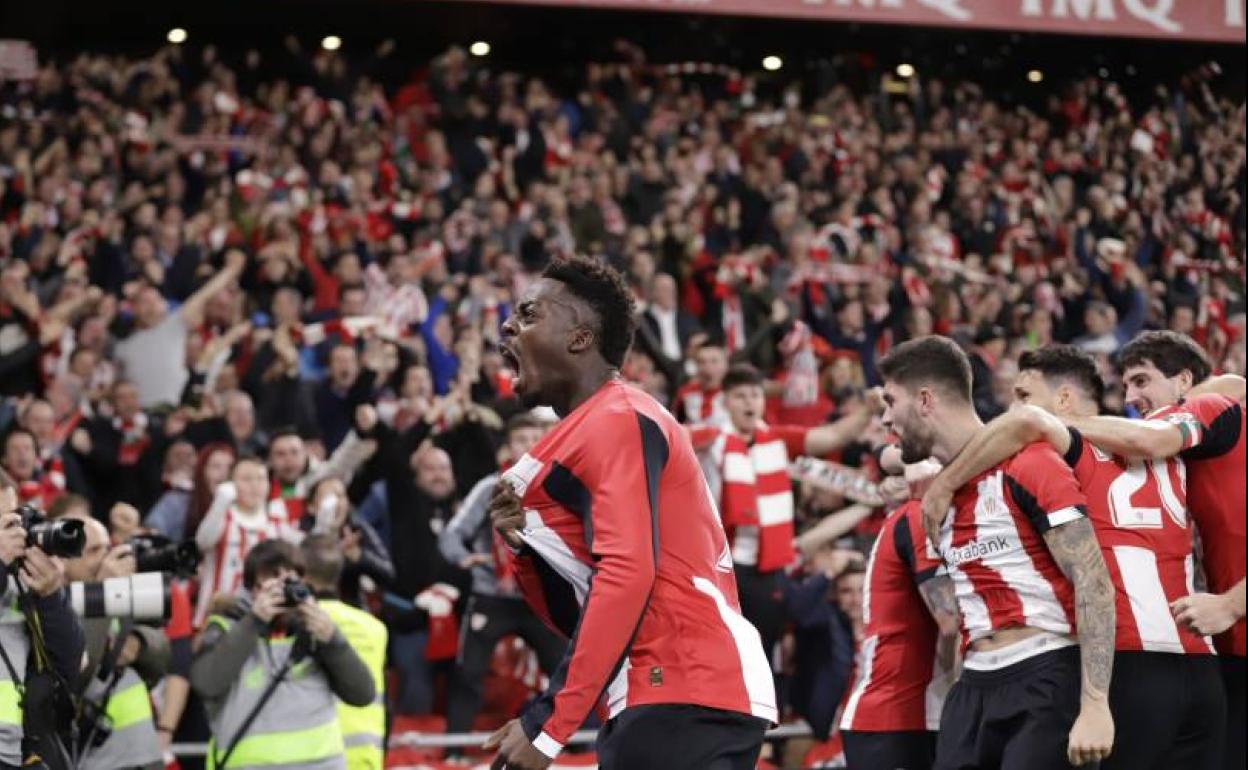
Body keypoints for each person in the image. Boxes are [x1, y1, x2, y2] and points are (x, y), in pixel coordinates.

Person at [486, 256, 775, 770]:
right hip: (673, 689)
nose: (508, 325)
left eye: (529, 314)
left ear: (579, 339)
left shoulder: (618, 416)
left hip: (679, 685)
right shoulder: (599, 424)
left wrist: (549, 724)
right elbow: (581, 612)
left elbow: (627, 572)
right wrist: (524, 549)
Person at [922, 343, 1225, 769]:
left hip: (1129, 662)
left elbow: (1025, 423)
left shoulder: (1067, 451)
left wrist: (944, 483)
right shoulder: (1179, 445)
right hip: (1201, 663)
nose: (1011, 410)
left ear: (1062, 401)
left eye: (1022, 395)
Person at [877, 335, 1116, 769]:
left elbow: (1093, 578)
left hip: (1044, 673)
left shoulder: (1028, 462)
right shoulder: (935, 495)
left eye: (891, 401)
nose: (885, 417)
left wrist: (1095, 704)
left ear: (926, 400)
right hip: (972, 688)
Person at [1043, 331, 1245, 770]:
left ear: (1185, 380)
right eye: (1126, 387)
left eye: (1142, 381)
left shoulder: (1206, 409)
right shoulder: (1188, 450)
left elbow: (1149, 439)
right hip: (1220, 651)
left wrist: (1040, 422)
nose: (1132, 398)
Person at [688, 363, 883, 662]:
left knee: (762, 656)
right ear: (726, 402)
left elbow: (831, 436)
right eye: (740, 396)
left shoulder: (776, 439)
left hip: (769, 569)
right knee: (723, 655)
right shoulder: (710, 439)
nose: (750, 402)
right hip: (723, 565)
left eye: (755, 395)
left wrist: (867, 411)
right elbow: (668, 435)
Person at [190, 539, 375, 770]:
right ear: (252, 590)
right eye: (270, 584)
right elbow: (206, 683)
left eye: (288, 582)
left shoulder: (316, 630)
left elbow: (363, 694)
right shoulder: (229, 627)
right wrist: (254, 621)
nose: (281, 594)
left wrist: (333, 640)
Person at [437, 410, 567, 740]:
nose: (529, 446)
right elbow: (451, 534)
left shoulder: (557, 485)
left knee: (563, 670)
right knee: (469, 671)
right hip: (492, 594)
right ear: (506, 449)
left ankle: (567, 743)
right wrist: (465, 558)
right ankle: (455, 745)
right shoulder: (489, 487)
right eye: (521, 440)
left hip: (540, 594)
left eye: (536, 439)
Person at [839, 460, 961, 770]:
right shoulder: (918, 517)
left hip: (901, 715)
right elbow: (949, 623)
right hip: (897, 717)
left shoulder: (908, 517)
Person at [63, 516, 168, 770]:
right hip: (93, 760)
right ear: (64, 559)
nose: (106, 558)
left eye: (107, 548)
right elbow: (78, 674)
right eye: (93, 551)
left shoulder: (119, 591)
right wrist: (102, 591)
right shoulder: (55, 606)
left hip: (143, 754)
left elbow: (163, 656)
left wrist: (140, 644)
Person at [0, 473, 86, 770]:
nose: (12, 533)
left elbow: (68, 666)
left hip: (13, 752)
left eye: (13, 520)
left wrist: (51, 596)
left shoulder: (18, 580)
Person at [301, 533, 388, 770]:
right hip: (366, 755)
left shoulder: (299, 624)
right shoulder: (375, 628)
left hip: (315, 754)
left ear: (302, 574)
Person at [193, 456, 299, 627]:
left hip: (262, 619)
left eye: (260, 478)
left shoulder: (277, 524)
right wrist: (220, 502)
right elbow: (202, 542)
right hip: (215, 619)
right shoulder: (222, 518)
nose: (255, 485)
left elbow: (306, 550)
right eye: (246, 479)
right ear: (231, 484)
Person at [672, 339, 730, 428]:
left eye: (714, 361)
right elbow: (675, 425)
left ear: (725, 364)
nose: (708, 368)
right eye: (702, 362)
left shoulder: (736, 393)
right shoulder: (685, 393)